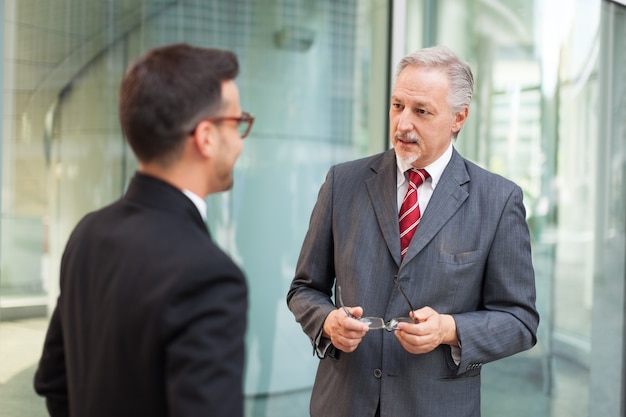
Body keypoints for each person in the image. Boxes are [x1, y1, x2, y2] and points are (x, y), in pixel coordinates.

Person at [287, 45, 539, 417]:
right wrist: (327, 321)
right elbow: (304, 289)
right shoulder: (344, 182)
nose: (403, 123)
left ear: (458, 118)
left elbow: (520, 320)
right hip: (343, 403)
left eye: (421, 111)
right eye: (397, 105)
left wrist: (449, 330)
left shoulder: (499, 200)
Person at [34, 43, 254, 417]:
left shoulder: (87, 233)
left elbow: (54, 382)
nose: (239, 142)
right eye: (237, 123)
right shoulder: (210, 276)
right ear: (205, 137)